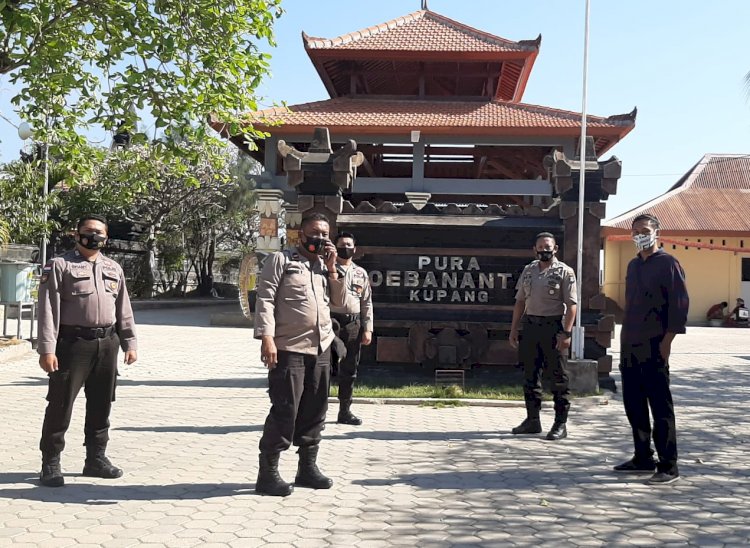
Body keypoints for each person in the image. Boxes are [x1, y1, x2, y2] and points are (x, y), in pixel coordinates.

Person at [37, 214, 138, 488]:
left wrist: (129, 342)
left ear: (106, 238)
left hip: (107, 344)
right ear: (77, 233)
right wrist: (47, 349)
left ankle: (96, 458)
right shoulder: (59, 266)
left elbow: (123, 309)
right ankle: (51, 462)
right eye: (89, 231)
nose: (94, 236)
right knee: (61, 404)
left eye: (100, 233)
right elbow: (48, 310)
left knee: (101, 404)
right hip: (72, 344)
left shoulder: (113, 268)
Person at [254, 212, 345, 497]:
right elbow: (265, 298)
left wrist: (332, 269)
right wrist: (266, 338)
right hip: (288, 348)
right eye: (315, 232)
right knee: (285, 410)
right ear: (301, 234)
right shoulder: (281, 260)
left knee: (316, 410)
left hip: (320, 348)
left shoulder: (325, 267)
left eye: (325, 234)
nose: (320, 238)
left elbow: (341, 302)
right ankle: (267, 475)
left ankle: (307, 469)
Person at [614, 213, 689, 485]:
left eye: (644, 230)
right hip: (629, 344)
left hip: (655, 345)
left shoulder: (668, 264)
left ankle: (668, 465)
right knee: (633, 404)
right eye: (635, 231)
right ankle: (642, 456)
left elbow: (679, 306)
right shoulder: (634, 265)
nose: (639, 235)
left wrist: (667, 342)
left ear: (657, 232)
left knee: (660, 406)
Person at [509, 232, 577, 441]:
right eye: (540, 247)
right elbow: (520, 301)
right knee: (530, 375)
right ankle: (532, 420)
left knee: (558, 377)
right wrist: (513, 329)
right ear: (535, 249)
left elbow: (572, 305)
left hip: (553, 327)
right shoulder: (528, 271)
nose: (544, 250)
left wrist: (566, 333)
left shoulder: (565, 272)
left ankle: (560, 423)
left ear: (555, 249)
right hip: (530, 326)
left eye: (548, 247)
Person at [328, 232, 373, 426]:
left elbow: (367, 302)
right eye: (341, 244)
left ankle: (344, 411)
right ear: (335, 247)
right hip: (331, 322)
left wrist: (367, 328)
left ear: (354, 249)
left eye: (348, 244)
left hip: (353, 324)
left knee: (350, 369)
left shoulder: (360, 273)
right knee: (325, 369)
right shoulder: (325, 269)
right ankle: (317, 412)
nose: (345, 247)